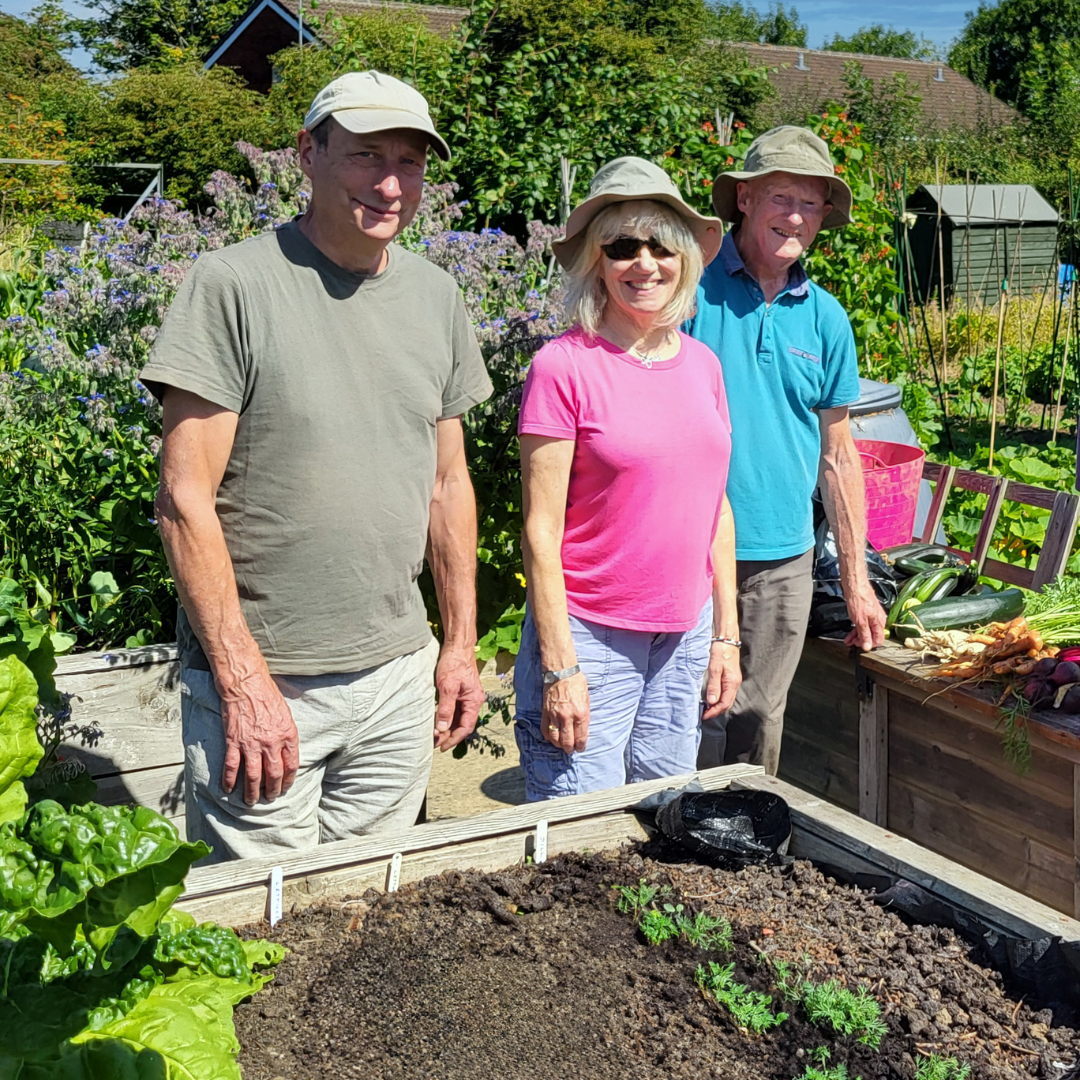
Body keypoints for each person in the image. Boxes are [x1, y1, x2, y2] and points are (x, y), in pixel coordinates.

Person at [140, 71, 493, 862]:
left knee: (367, 925)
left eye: (411, 160)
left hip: (397, 674)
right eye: (367, 156)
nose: (392, 183)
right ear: (308, 152)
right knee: (264, 935)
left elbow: (447, 484)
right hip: (273, 682)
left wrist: (458, 646)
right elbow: (182, 498)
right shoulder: (231, 285)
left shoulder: (436, 297)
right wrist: (242, 683)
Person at [514, 156, 741, 801]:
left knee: (664, 818)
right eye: (621, 246)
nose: (644, 263)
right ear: (595, 260)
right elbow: (540, 528)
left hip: (684, 632)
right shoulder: (564, 366)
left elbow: (715, 510)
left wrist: (725, 632)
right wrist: (559, 664)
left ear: (685, 260)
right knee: (581, 837)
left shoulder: (703, 366)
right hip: (591, 633)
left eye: (661, 245)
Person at [687, 125, 887, 776]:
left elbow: (839, 457)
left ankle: (741, 863)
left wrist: (856, 582)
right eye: (781, 197)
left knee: (756, 720)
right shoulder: (689, 293)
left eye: (811, 202)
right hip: (685, 554)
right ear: (743, 199)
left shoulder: (826, 318)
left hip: (783, 561)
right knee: (682, 717)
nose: (796, 216)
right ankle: (656, 859)